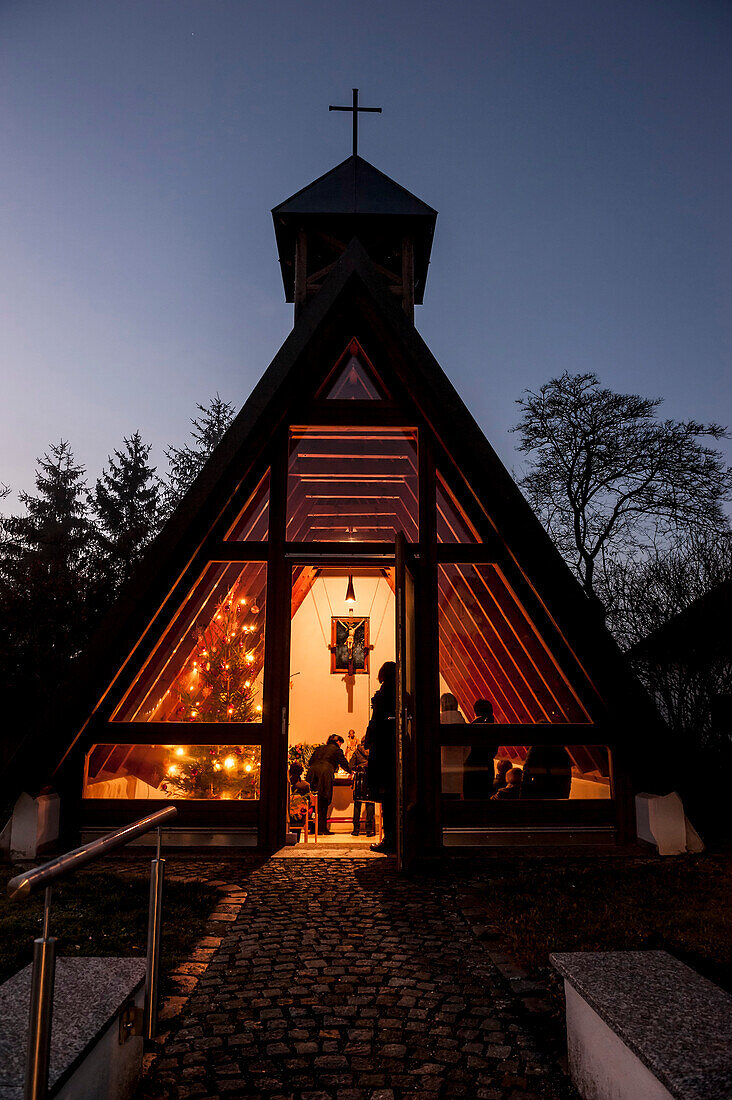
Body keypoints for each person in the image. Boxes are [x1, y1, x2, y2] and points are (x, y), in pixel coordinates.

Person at [364, 661, 397, 853]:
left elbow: (376, 722)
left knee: (387, 798)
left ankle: (390, 839)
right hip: (394, 751)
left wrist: (368, 740)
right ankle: (395, 838)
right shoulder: (400, 691)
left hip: (383, 753)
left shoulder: (384, 694)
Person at [305, 734, 352, 834]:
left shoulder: (319, 748)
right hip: (325, 774)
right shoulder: (336, 750)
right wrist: (351, 771)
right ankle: (322, 828)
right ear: (338, 742)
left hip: (312, 772)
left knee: (313, 802)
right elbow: (344, 763)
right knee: (324, 801)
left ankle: (313, 827)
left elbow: (310, 762)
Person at [463, 699, 499, 799]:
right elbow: (494, 751)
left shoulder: (471, 727)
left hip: (470, 769)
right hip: (487, 769)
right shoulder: (494, 728)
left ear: (475, 712)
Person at [440, 692, 468, 797]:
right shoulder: (461, 722)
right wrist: (460, 760)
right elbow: (467, 748)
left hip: (441, 768)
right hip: (457, 768)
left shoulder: (439, 721)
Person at [349, 734, 375, 837]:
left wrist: (357, 767)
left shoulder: (357, 751)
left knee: (357, 802)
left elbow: (350, 765)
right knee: (370, 802)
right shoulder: (374, 751)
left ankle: (356, 829)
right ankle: (369, 830)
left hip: (360, 778)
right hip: (371, 777)